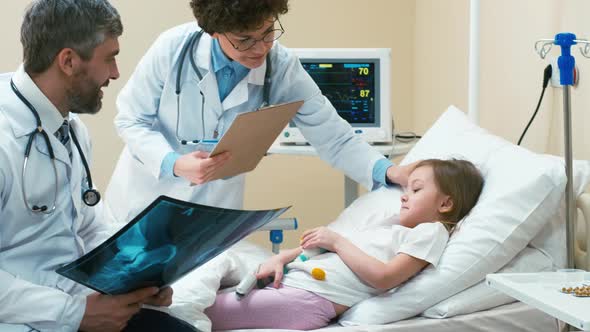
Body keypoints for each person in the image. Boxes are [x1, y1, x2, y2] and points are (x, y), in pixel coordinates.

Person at [104, 0, 416, 225]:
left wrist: (387, 171)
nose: (260, 48)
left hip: (212, 212)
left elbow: (334, 137)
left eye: (268, 32)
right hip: (144, 201)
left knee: (194, 299)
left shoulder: (280, 66)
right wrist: (173, 163)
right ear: (213, 31)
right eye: (245, 39)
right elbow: (131, 120)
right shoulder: (172, 49)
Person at [0, 1, 197, 331]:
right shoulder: (5, 138)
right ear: (68, 61)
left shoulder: (72, 130)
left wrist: (135, 276)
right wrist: (73, 314)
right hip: (22, 317)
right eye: (109, 57)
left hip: (77, 305)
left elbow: (88, 225)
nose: (116, 73)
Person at [204, 159, 485, 330]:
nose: (404, 196)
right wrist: (283, 257)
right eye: (406, 189)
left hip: (307, 300)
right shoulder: (391, 226)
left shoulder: (430, 232)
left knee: (201, 310)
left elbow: (385, 278)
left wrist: (337, 241)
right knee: (202, 283)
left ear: (446, 204)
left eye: (416, 189)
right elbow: (325, 246)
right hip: (290, 280)